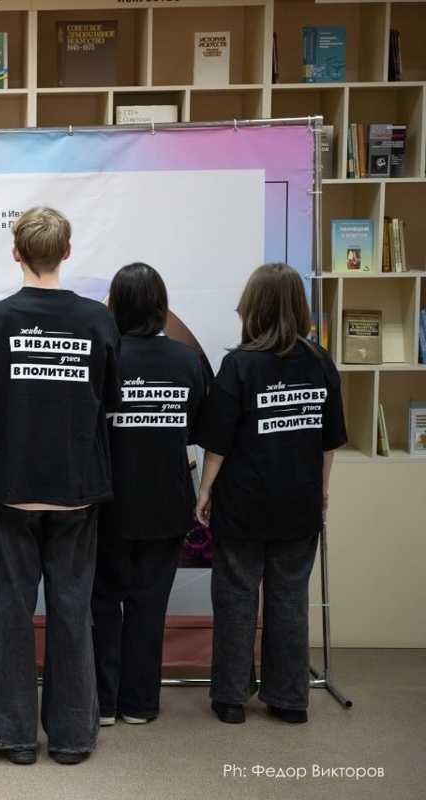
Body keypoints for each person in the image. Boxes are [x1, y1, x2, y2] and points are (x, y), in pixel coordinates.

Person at [0, 206, 120, 767]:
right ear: (67, 252)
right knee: (72, 610)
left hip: (13, 485)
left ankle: (12, 736)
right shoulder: (97, 320)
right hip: (75, 486)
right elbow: (110, 405)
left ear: (16, 253)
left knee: (11, 611)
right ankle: (71, 736)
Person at [193, 262, 346, 725]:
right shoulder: (321, 362)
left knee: (236, 598)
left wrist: (204, 491)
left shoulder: (239, 365)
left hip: (243, 503)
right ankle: (289, 699)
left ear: (253, 307)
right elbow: (329, 440)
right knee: (290, 599)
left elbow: (217, 445)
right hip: (299, 502)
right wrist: (322, 490)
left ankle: (231, 699)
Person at [92, 262, 207, 728]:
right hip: (167, 502)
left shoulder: (104, 357)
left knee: (102, 603)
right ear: (161, 306)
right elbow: (198, 431)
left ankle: (102, 704)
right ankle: (139, 704)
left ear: (115, 306)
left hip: (109, 503)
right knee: (149, 606)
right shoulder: (188, 361)